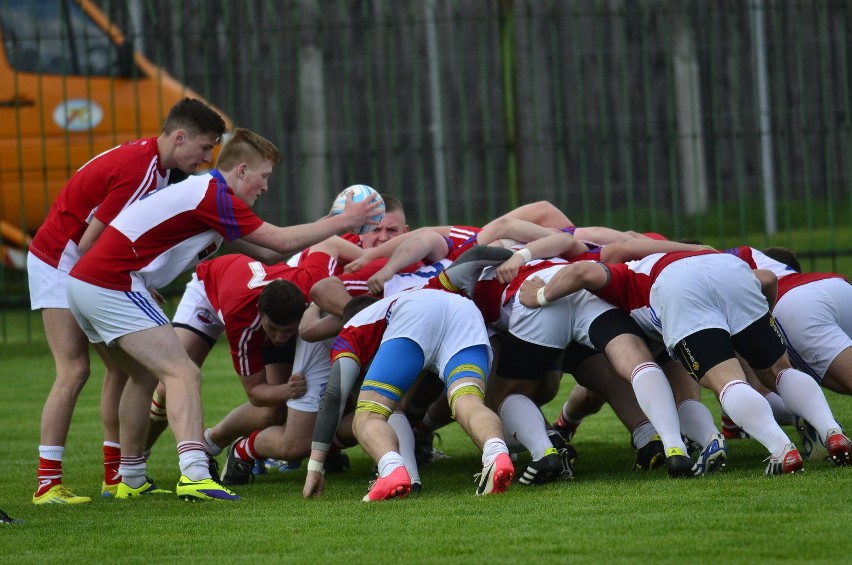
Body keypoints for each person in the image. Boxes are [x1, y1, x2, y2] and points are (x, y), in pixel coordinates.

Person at [65, 127, 382, 501]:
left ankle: (128, 478)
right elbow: (279, 241)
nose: (265, 188)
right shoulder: (213, 194)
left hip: (91, 283)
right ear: (243, 171)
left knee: (141, 377)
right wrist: (345, 220)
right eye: (263, 177)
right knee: (182, 373)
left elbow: (267, 254)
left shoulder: (206, 194)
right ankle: (195, 474)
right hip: (109, 284)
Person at [27, 97, 227, 504]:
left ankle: (117, 477)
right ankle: (47, 485)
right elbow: (89, 244)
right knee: (74, 370)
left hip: (79, 265)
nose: (207, 159)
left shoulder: (154, 166)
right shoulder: (142, 171)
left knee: (128, 370)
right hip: (58, 262)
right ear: (179, 136)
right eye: (204, 148)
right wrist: (118, 283)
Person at [518, 249, 852, 473]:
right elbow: (766, 279)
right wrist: (759, 324)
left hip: (679, 289)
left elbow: (582, 271)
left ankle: (782, 450)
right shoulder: (690, 253)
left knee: (726, 383)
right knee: (780, 372)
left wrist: (541, 295)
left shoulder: (627, 274)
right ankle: (832, 431)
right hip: (732, 273)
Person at [302, 290, 514, 501]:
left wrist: (314, 467)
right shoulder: (401, 299)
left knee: (368, 415)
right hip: (465, 310)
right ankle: (496, 452)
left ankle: (391, 470)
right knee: (467, 401)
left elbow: (334, 395)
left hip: (414, 317)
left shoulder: (354, 328)